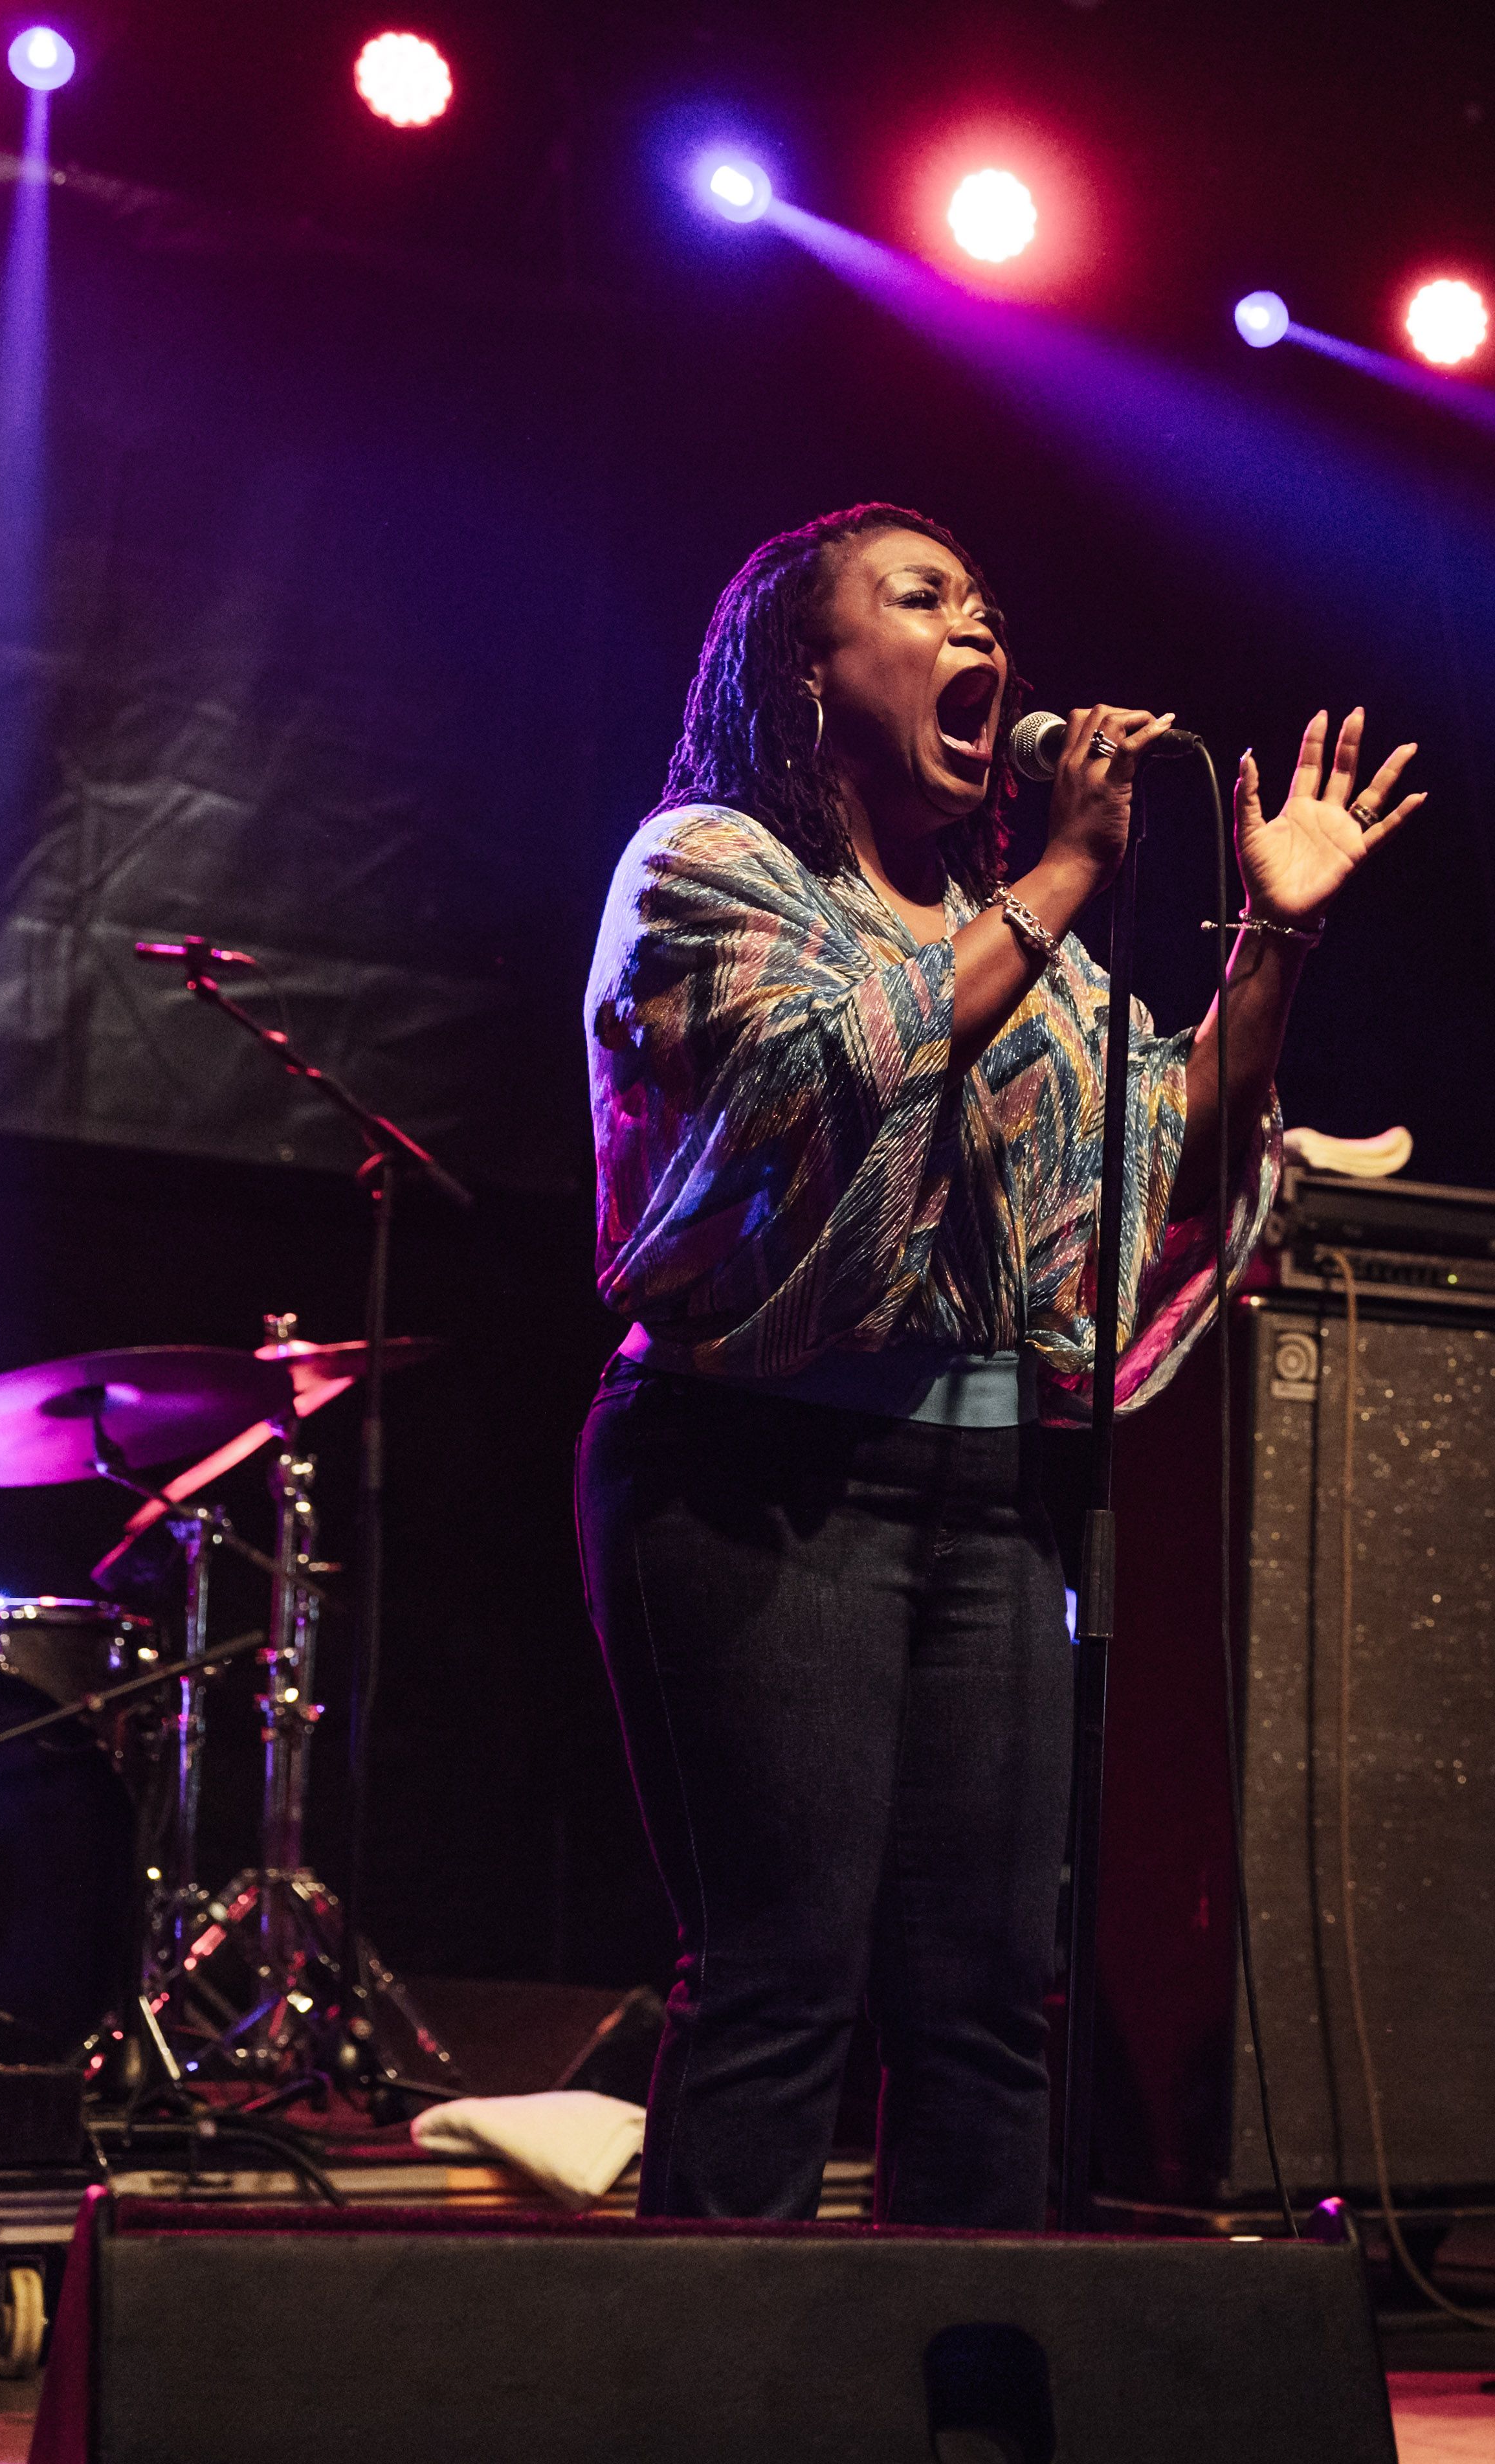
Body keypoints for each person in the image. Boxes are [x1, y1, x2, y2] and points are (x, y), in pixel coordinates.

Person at [576, 501, 1420, 2225]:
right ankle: (693, 2438)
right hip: (756, 1477)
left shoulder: (1010, 934)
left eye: (988, 606)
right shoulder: (710, 862)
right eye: (926, 601)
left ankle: (950, 2436)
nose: (984, 637)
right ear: (807, 671)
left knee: (982, 1996)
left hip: (988, 1491)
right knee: (781, 1976)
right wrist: (1063, 877)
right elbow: (821, 1067)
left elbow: (1158, 1151)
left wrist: (1273, 944)